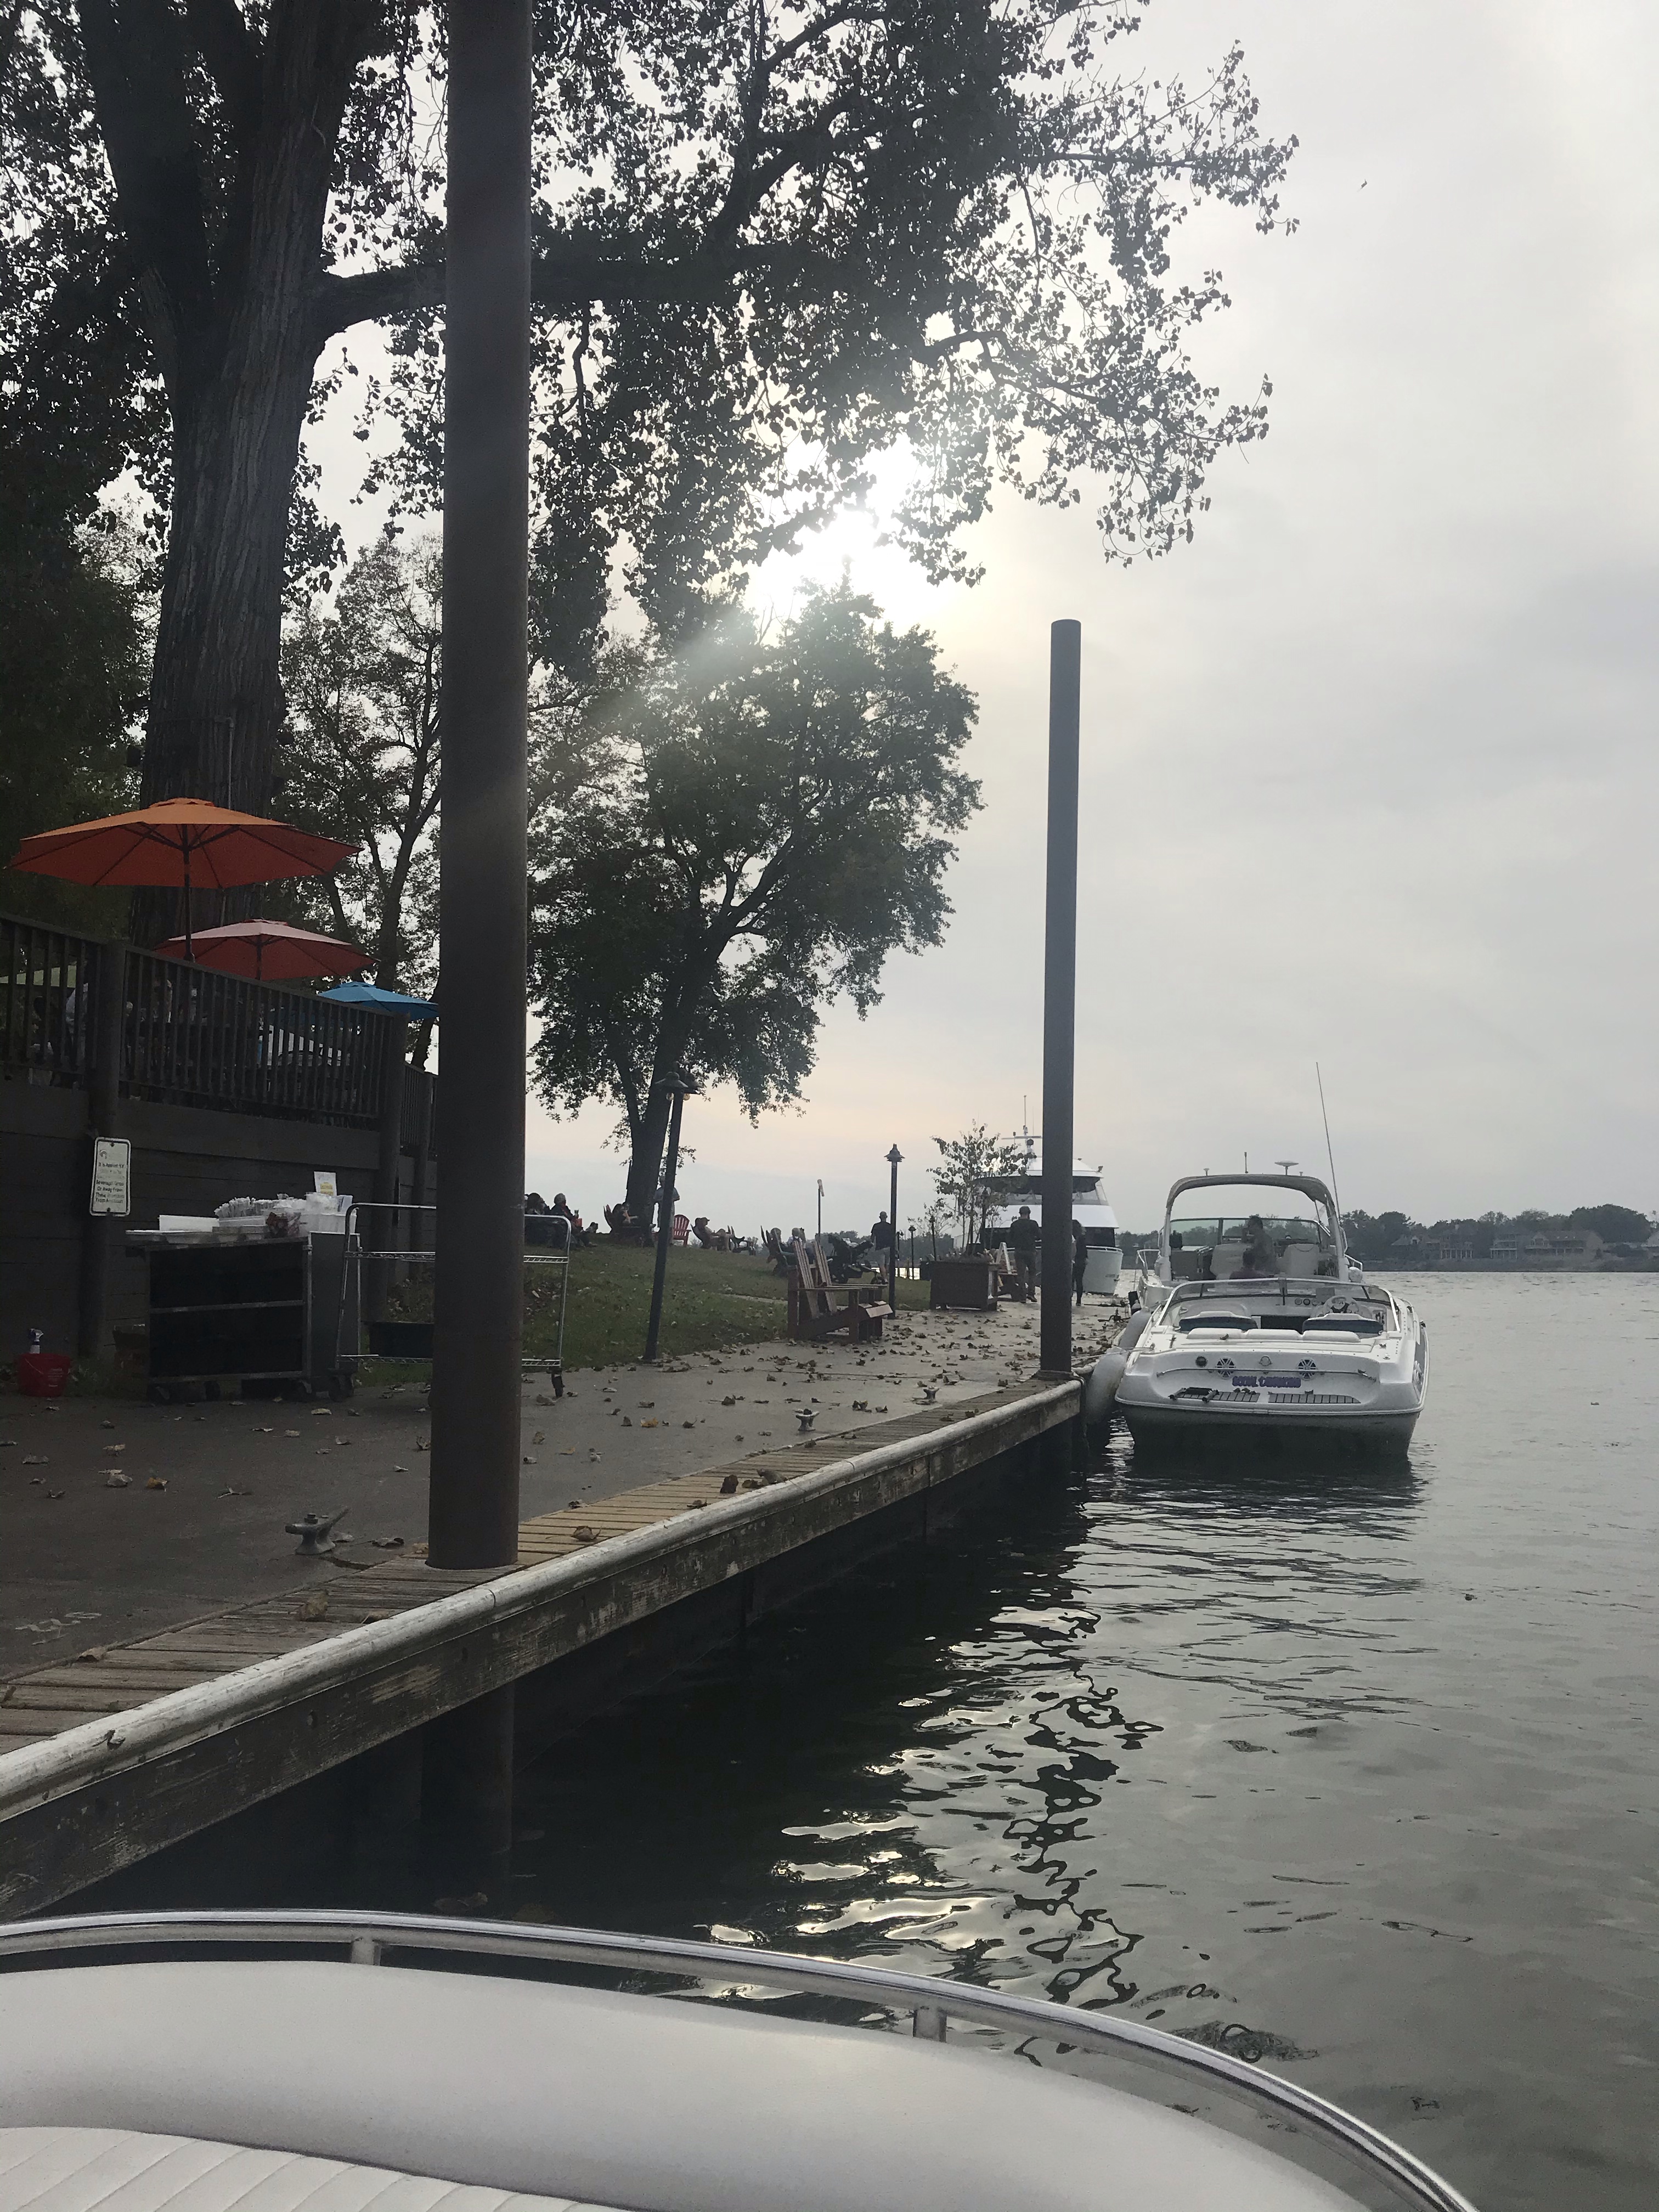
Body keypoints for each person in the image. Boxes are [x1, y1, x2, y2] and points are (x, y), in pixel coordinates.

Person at [1008, 1204, 1040, 1300]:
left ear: (1020, 1213)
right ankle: (1031, 1293)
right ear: (1029, 1214)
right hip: (1031, 1251)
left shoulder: (1015, 1225)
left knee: (1021, 1274)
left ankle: (1022, 1296)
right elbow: (1039, 1236)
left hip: (1019, 1251)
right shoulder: (1033, 1224)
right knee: (1032, 1273)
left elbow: (1009, 1239)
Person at [1071, 1218, 1088, 1306]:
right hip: (1081, 1261)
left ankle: (1069, 1297)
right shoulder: (1082, 1238)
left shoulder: (1070, 1237)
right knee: (1079, 1281)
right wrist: (1086, 1258)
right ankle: (1079, 1301)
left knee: (1071, 1280)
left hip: (1073, 1260)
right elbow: (1084, 1250)